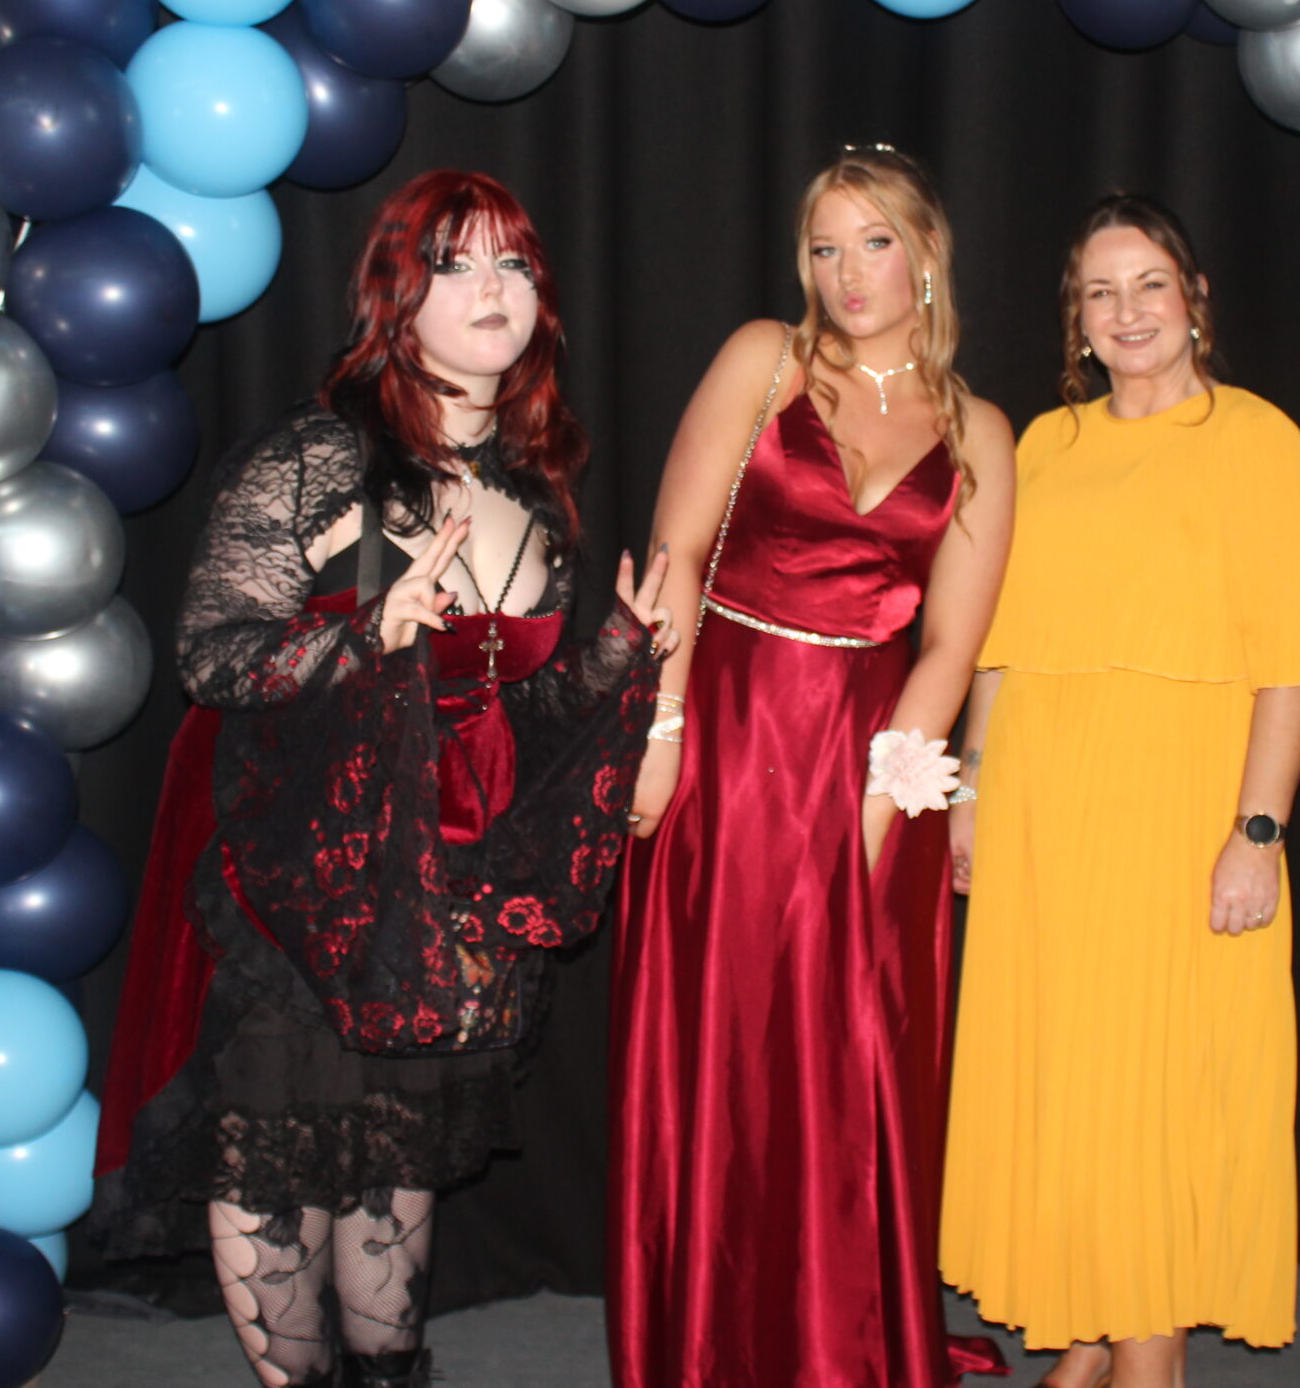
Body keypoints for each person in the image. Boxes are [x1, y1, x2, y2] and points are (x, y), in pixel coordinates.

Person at [92, 172, 675, 1388]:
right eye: (454, 265)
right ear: (397, 299)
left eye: (513, 265)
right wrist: (368, 636)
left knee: (390, 1150)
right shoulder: (317, 457)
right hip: (303, 865)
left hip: (441, 876)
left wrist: (618, 657)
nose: (491, 290)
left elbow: (515, 716)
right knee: (279, 1148)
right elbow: (211, 655)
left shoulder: (533, 496)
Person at [606, 147, 1018, 1388]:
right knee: (722, 1046)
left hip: (875, 754)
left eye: (874, 243)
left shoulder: (981, 431)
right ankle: (704, 1336)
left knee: (847, 1057)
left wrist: (880, 812)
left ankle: (838, 1339)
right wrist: (660, 735)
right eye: (825, 248)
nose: (847, 272)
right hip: (730, 742)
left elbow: (951, 646)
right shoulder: (764, 360)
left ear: (926, 253)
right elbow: (675, 553)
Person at [938, 196, 1300, 1388]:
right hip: (1042, 808)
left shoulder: (1262, 443)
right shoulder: (1043, 448)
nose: (1126, 312)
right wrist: (970, 787)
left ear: (1194, 299)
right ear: (1076, 317)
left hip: (1178, 809)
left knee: (1160, 1082)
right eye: (1099, 292)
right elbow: (997, 643)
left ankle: (1146, 1353)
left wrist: (1256, 833)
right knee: (1067, 1078)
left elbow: (1290, 665)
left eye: (1148, 284)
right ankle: (1089, 1329)